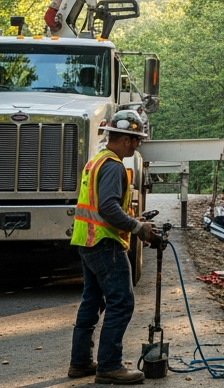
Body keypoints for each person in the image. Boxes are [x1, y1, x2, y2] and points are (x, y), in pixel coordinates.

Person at [68, 110, 159, 385]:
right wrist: (137, 228)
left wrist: (134, 221)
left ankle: (80, 362)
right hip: (105, 244)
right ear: (128, 140)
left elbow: (100, 206)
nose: (137, 145)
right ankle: (109, 365)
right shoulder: (114, 166)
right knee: (121, 302)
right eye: (137, 140)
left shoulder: (96, 161)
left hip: (87, 241)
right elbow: (107, 206)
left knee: (91, 302)